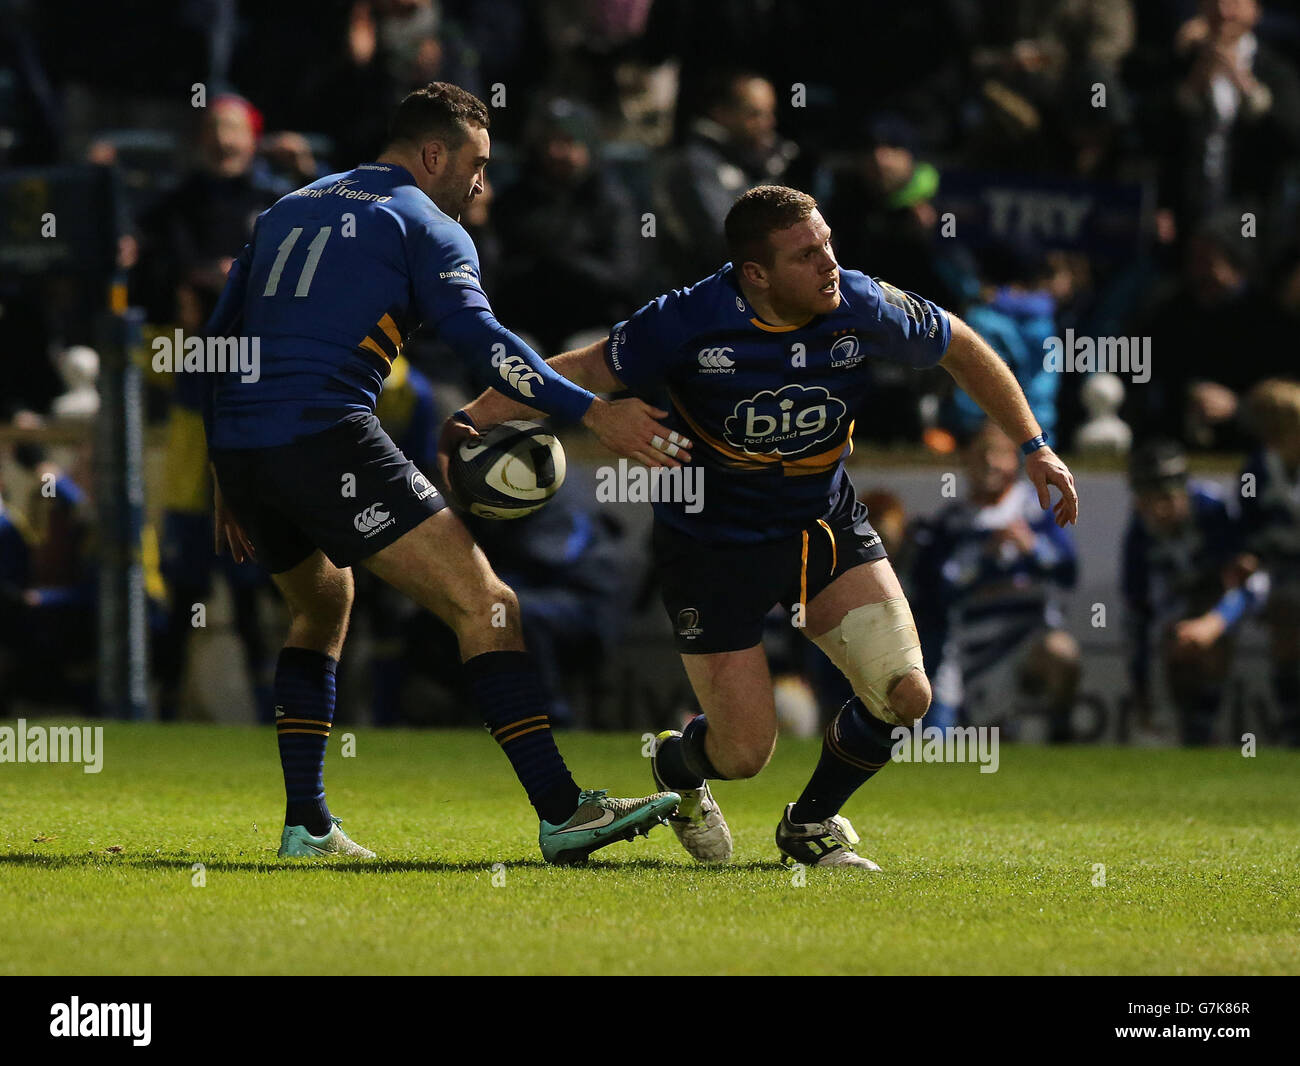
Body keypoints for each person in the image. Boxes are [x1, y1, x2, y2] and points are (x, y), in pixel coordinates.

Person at [453, 185, 1078, 870]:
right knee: (745, 753)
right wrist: (474, 420)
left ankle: (810, 826)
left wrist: (1034, 445)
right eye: (807, 256)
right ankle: (677, 763)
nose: (830, 265)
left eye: (829, 245)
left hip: (820, 523)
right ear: (756, 274)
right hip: (710, 545)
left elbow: (960, 343)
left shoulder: (860, 303)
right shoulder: (688, 319)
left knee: (906, 693)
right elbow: (578, 368)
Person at [202, 82, 682, 864]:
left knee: (323, 604)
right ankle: (563, 811)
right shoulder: (427, 223)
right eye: (476, 163)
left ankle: (307, 827)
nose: (481, 183)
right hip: (327, 438)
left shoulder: (288, 206)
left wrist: (227, 468)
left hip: (249, 451)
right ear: (433, 155)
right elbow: (487, 347)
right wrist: (593, 410)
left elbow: (215, 342)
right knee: (487, 605)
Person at [910, 424, 1079, 739]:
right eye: (981, 453)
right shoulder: (952, 522)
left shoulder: (1035, 509)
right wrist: (982, 560)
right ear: (966, 460)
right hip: (967, 647)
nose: (990, 462)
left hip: (1025, 639)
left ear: (1015, 461)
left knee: (1061, 652)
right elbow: (935, 590)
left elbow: (1067, 570)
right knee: (938, 743)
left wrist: (1032, 548)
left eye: (999, 453)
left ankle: (1060, 738)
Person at [1121, 439, 1259, 745]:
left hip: (1222, 608)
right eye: (1147, 501)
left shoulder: (1213, 511)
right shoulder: (1139, 532)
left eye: (1166, 499)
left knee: (1200, 638)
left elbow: (1254, 582)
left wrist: (1214, 622)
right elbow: (1136, 613)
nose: (1158, 511)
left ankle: (1208, 728)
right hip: (1175, 609)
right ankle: (1189, 732)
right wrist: (1140, 685)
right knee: (1178, 636)